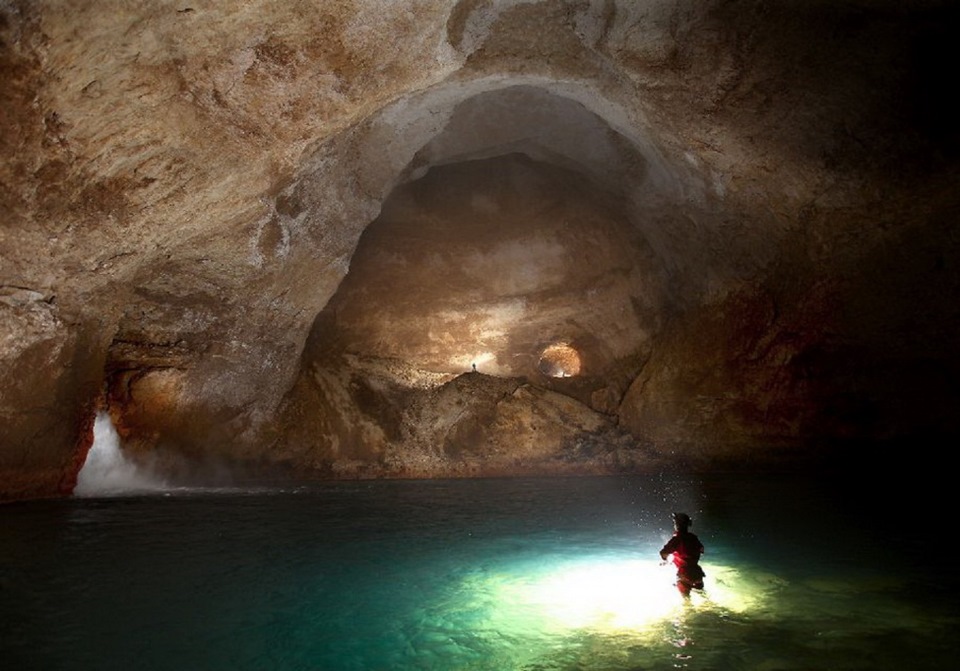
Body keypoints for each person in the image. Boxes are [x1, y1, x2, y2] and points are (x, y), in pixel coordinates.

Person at [659, 512, 705, 596]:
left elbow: (663, 553)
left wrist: (666, 560)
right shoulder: (693, 538)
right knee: (704, 597)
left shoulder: (676, 539)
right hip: (697, 573)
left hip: (684, 574)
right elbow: (701, 550)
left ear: (677, 525)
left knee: (686, 602)